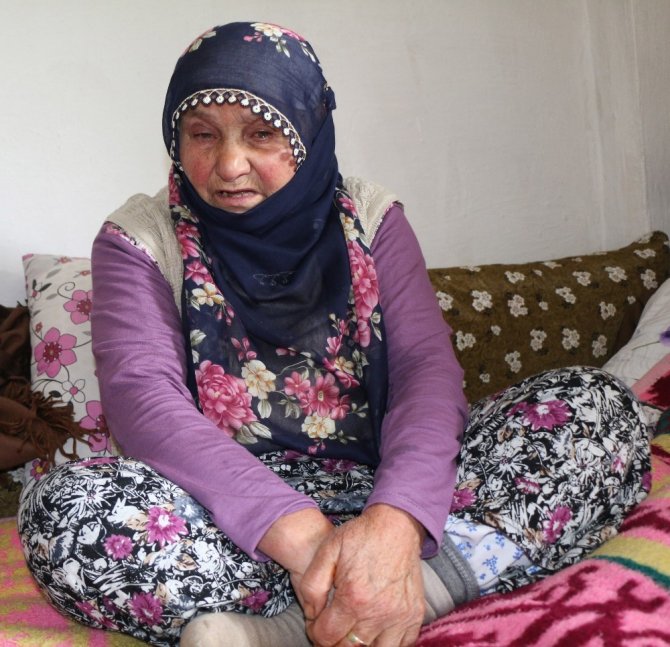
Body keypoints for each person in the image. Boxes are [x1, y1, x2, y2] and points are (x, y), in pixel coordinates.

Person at [18, 21, 650, 647]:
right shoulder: (139, 237)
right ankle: (378, 598)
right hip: (230, 516)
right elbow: (145, 404)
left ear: (309, 131)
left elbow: (425, 375)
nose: (229, 165)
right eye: (202, 135)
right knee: (65, 510)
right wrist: (311, 539)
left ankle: (326, 620)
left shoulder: (371, 217)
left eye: (262, 134)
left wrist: (395, 524)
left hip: (389, 491)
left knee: (596, 405)